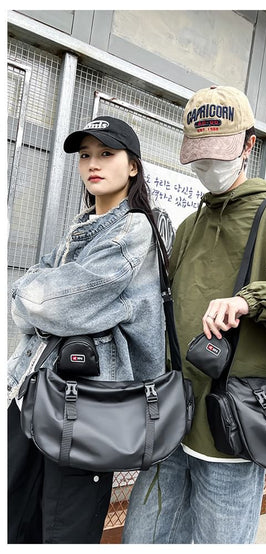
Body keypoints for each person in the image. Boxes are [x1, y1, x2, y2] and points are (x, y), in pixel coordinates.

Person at [122, 85, 266, 544]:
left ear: (249, 145)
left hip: (232, 432)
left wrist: (254, 299)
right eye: (199, 156)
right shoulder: (190, 225)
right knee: (144, 539)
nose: (207, 166)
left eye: (219, 153)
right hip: (171, 420)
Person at [7, 116, 168, 544]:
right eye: (85, 155)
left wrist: (29, 295)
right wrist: (35, 297)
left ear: (132, 166)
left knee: (65, 531)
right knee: (17, 519)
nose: (93, 164)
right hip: (35, 392)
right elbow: (41, 301)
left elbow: (45, 302)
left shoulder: (133, 230)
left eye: (106, 154)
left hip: (88, 408)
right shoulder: (80, 227)